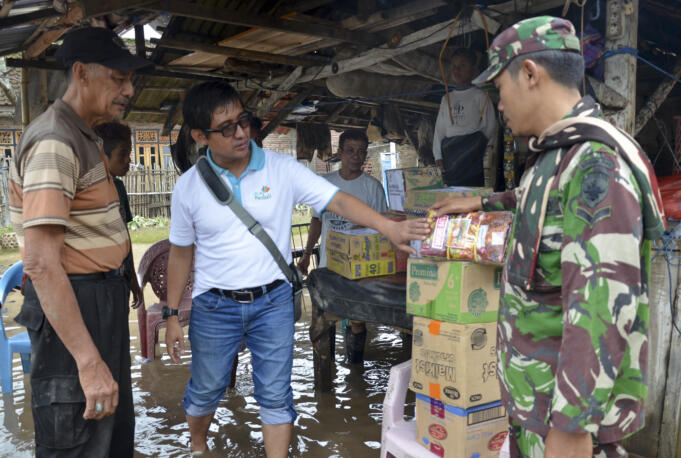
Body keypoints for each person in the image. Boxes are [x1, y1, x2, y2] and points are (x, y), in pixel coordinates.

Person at [431, 16, 666, 457]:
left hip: (567, 425)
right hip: (536, 407)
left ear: (529, 74)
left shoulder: (596, 165)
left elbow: (601, 305)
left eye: (499, 88)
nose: (499, 104)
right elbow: (536, 202)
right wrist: (480, 202)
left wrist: (572, 429)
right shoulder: (554, 157)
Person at [163, 81, 429, 456]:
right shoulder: (189, 187)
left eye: (243, 121)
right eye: (226, 128)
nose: (240, 133)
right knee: (206, 388)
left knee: (275, 395)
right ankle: (198, 445)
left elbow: (337, 200)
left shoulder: (280, 169)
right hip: (214, 306)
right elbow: (180, 254)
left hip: (273, 303)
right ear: (200, 136)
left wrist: (389, 227)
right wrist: (173, 314)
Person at [8, 27, 151, 457]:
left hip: (97, 302)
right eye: (119, 78)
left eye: (130, 80)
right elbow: (41, 263)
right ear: (82, 73)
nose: (128, 90)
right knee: (77, 438)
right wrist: (88, 362)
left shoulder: (84, 135)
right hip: (75, 304)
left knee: (109, 434)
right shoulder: (56, 141)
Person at [297, 129, 387, 364]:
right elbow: (317, 221)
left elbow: (382, 230)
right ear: (340, 153)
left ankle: (355, 368)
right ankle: (326, 373)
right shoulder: (326, 184)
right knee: (323, 321)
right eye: (350, 151)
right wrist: (306, 256)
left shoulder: (373, 187)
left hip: (359, 269)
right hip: (328, 267)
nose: (356, 156)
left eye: (361, 152)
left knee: (357, 320)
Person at [94, 121, 144, 310]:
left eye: (129, 153)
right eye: (122, 154)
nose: (128, 160)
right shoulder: (86, 192)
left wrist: (132, 279)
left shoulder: (119, 188)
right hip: (96, 283)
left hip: (120, 278)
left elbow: (124, 236)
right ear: (102, 155)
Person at [433, 47, 498, 186]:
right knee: (452, 191)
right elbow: (439, 130)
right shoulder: (446, 98)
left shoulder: (480, 95)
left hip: (472, 156)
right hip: (450, 155)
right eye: (454, 66)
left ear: (473, 70)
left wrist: (475, 146)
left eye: (462, 65)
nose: (457, 70)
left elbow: (490, 126)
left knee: (471, 190)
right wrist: (438, 156)